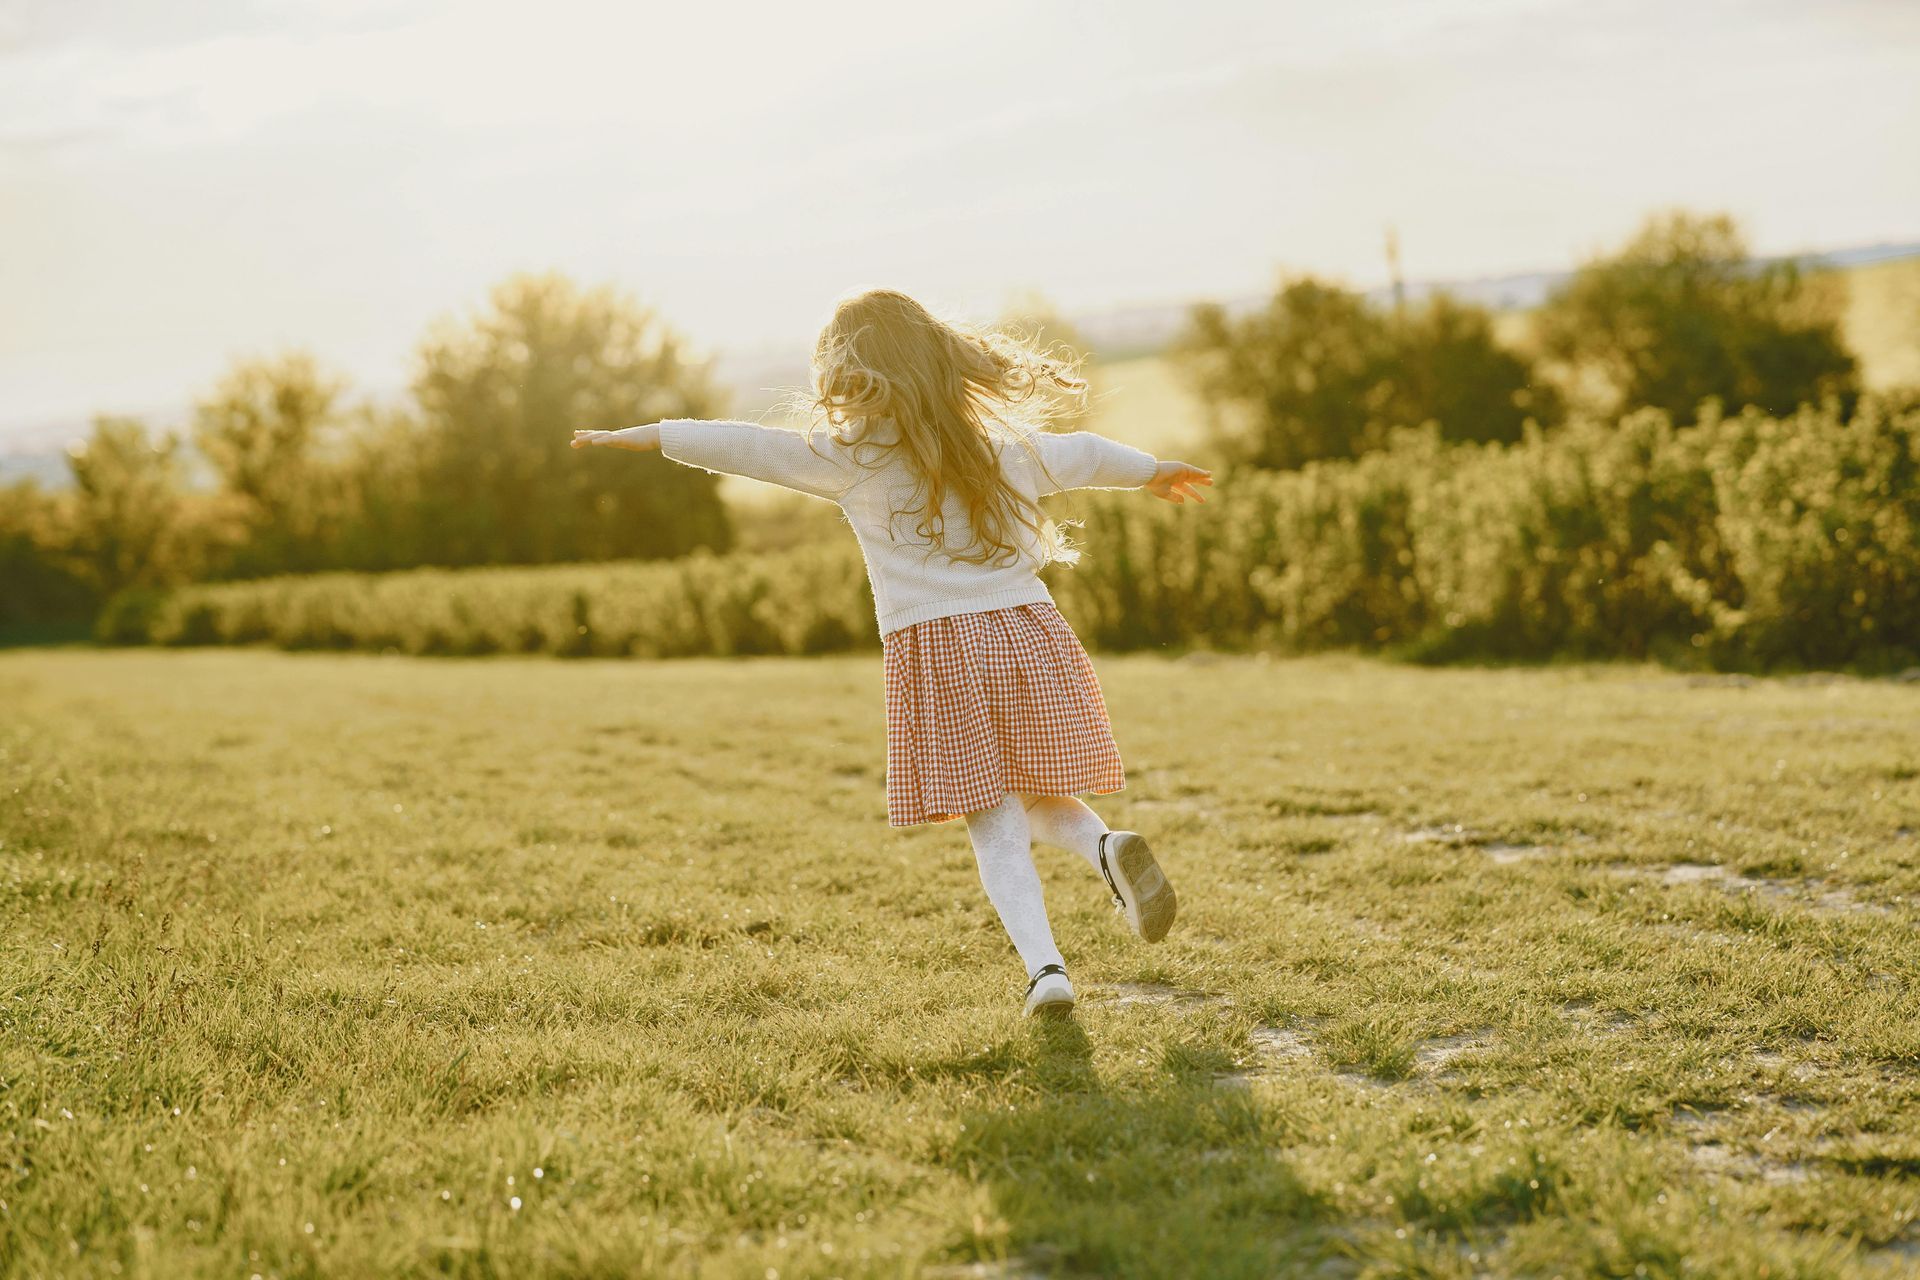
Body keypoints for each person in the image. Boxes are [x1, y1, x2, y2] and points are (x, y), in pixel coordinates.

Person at [572, 289, 1213, 1017]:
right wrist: (1155, 468)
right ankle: (1107, 849)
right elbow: (1087, 454)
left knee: (992, 819)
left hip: (939, 647)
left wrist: (647, 434)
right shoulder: (1002, 449)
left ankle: (1047, 971)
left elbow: (748, 446)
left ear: (854, 377)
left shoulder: (850, 460)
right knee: (1035, 792)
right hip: (1031, 633)